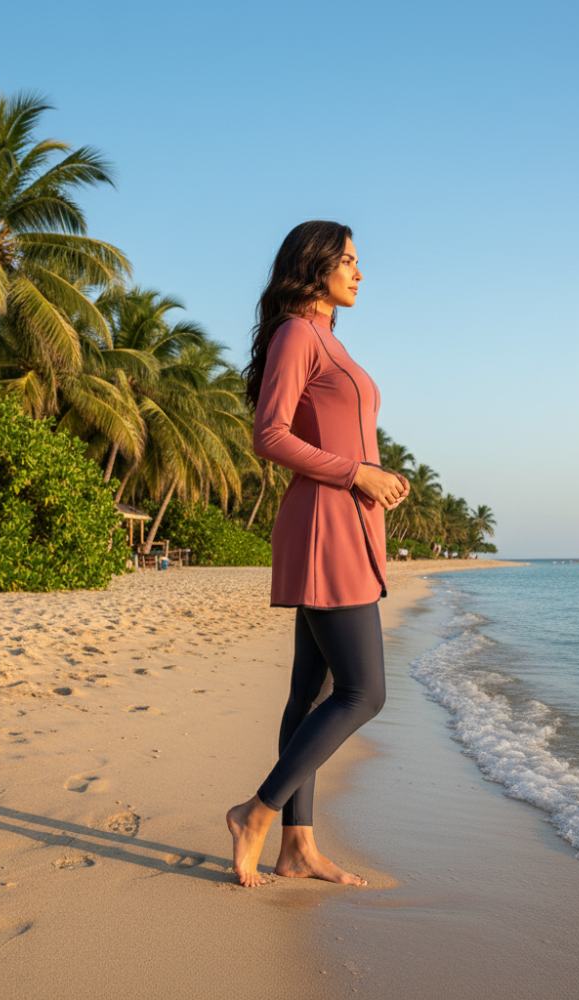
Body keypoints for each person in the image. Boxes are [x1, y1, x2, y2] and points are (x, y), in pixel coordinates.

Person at [228, 220, 409, 888]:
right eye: (350, 261)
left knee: (313, 693)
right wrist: (356, 473)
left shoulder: (327, 341)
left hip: (349, 524)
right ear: (315, 266)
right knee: (364, 692)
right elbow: (269, 435)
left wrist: (377, 478)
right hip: (324, 526)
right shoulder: (298, 334)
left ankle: (297, 846)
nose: (360, 273)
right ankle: (257, 811)